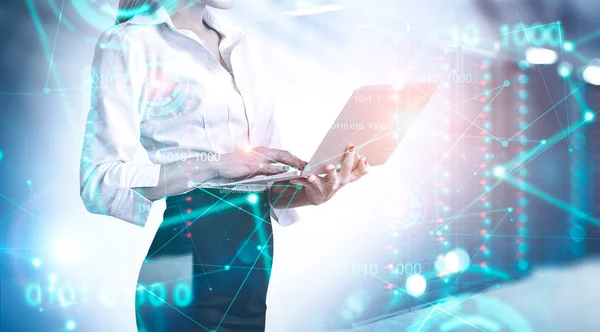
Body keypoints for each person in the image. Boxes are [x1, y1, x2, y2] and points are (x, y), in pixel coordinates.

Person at [79, 0, 370, 330]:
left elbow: (261, 189)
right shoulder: (130, 42)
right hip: (183, 277)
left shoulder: (239, 42)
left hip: (251, 282)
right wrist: (213, 165)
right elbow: (99, 183)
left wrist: (315, 192)